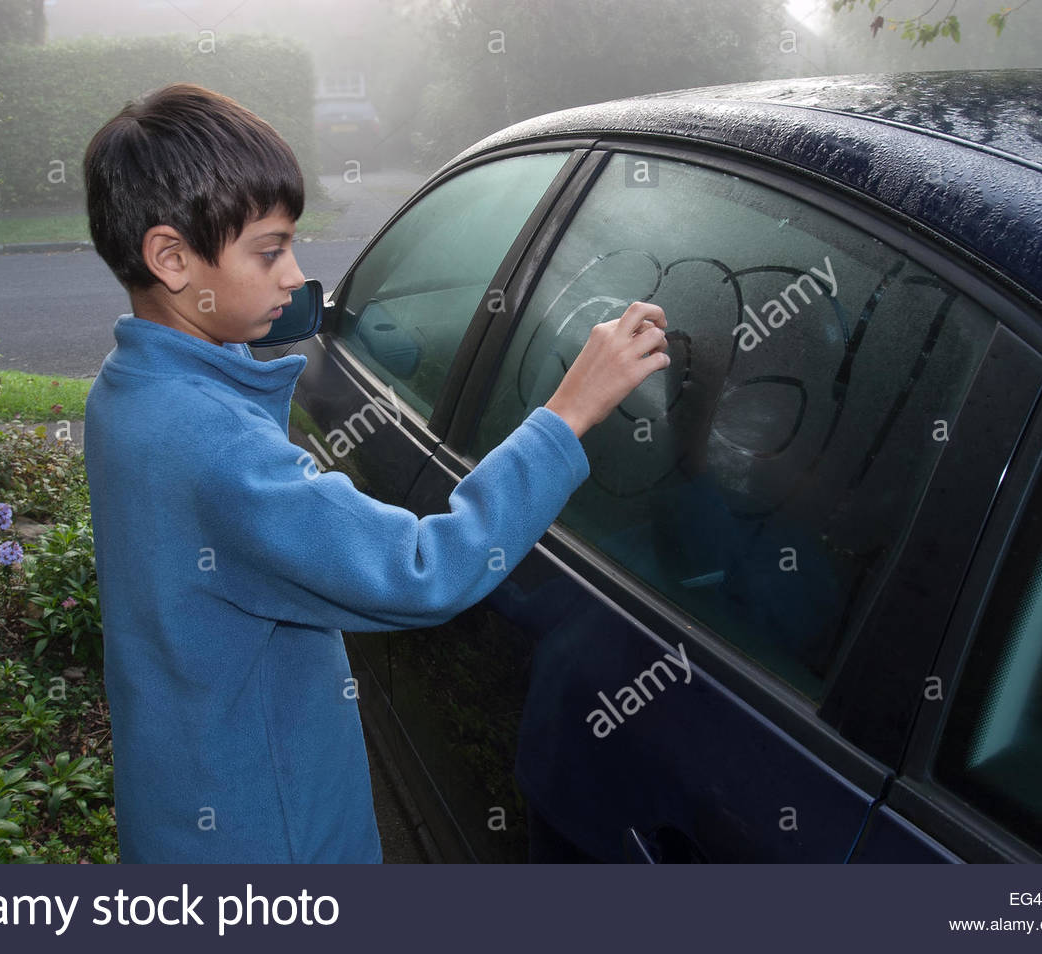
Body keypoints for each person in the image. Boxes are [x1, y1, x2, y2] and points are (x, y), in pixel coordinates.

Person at [81, 82, 670, 863]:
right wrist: (567, 415)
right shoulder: (216, 449)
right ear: (171, 257)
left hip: (182, 815)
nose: (295, 275)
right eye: (270, 251)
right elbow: (423, 570)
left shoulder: (125, 392)